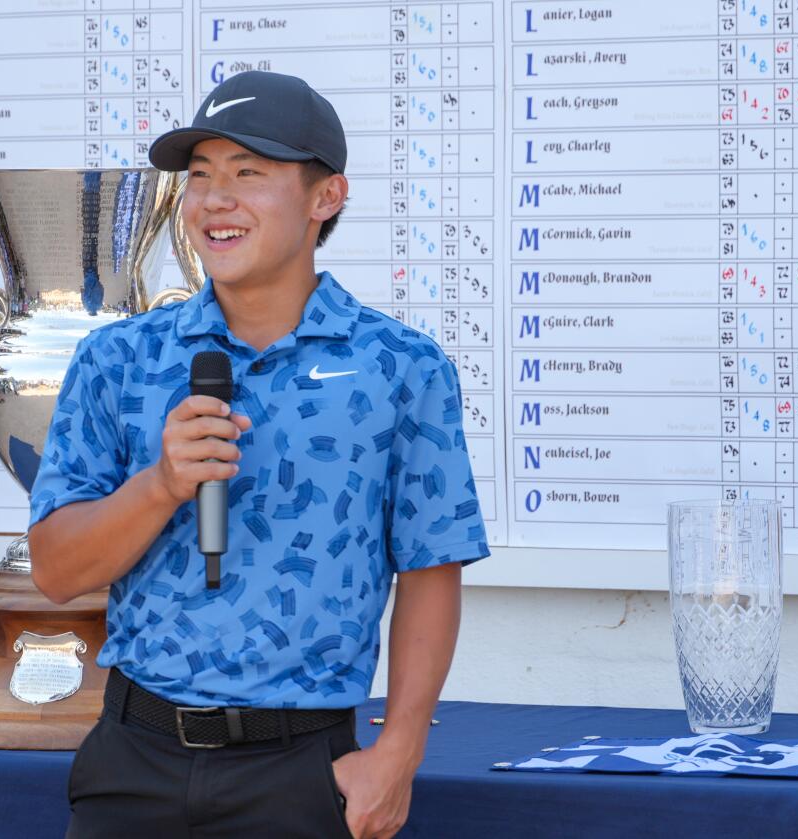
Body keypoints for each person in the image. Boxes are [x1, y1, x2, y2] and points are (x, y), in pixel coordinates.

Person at [27, 70, 491, 839]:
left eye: (248, 174)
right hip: (132, 764)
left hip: (303, 771)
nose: (215, 201)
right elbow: (55, 570)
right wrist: (163, 484)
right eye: (201, 176)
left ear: (325, 197)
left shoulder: (400, 367)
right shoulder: (120, 359)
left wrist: (397, 753)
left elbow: (431, 568)